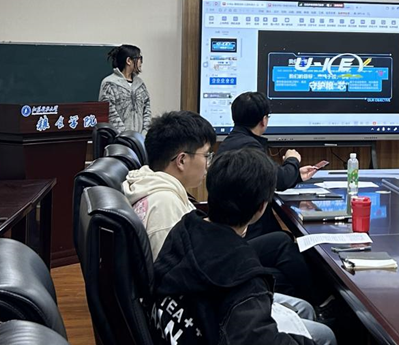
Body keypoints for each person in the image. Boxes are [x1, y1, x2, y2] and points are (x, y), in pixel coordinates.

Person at [124, 110, 320, 305]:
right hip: (208, 285)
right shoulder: (163, 206)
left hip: (207, 261)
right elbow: (176, 279)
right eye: (206, 155)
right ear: (182, 160)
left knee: (280, 241)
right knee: (279, 277)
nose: (208, 164)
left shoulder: (153, 184)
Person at [151, 148, 336, 345]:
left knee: (304, 308)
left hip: (181, 323)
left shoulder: (184, 227)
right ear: (261, 207)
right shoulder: (244, 275)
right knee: (326, 336)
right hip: (217, 326)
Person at [217, 92, 319, 239]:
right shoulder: (249, 146)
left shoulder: (232, 142)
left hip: (236, 228)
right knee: (286, 241)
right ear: (263, 120)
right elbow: (280, 180)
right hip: (248, 232)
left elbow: (268, 176)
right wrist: (292, 160)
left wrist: (297, 174)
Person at [99, 44, 151, 134]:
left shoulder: (140, 84)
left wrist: (145, 134)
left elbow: (147, 110)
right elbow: (110, 114)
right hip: (118, 139)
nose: (141, 62)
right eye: (139, 58)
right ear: (128, 61)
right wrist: (126, 136)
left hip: (140, 139)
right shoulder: (109, 83)